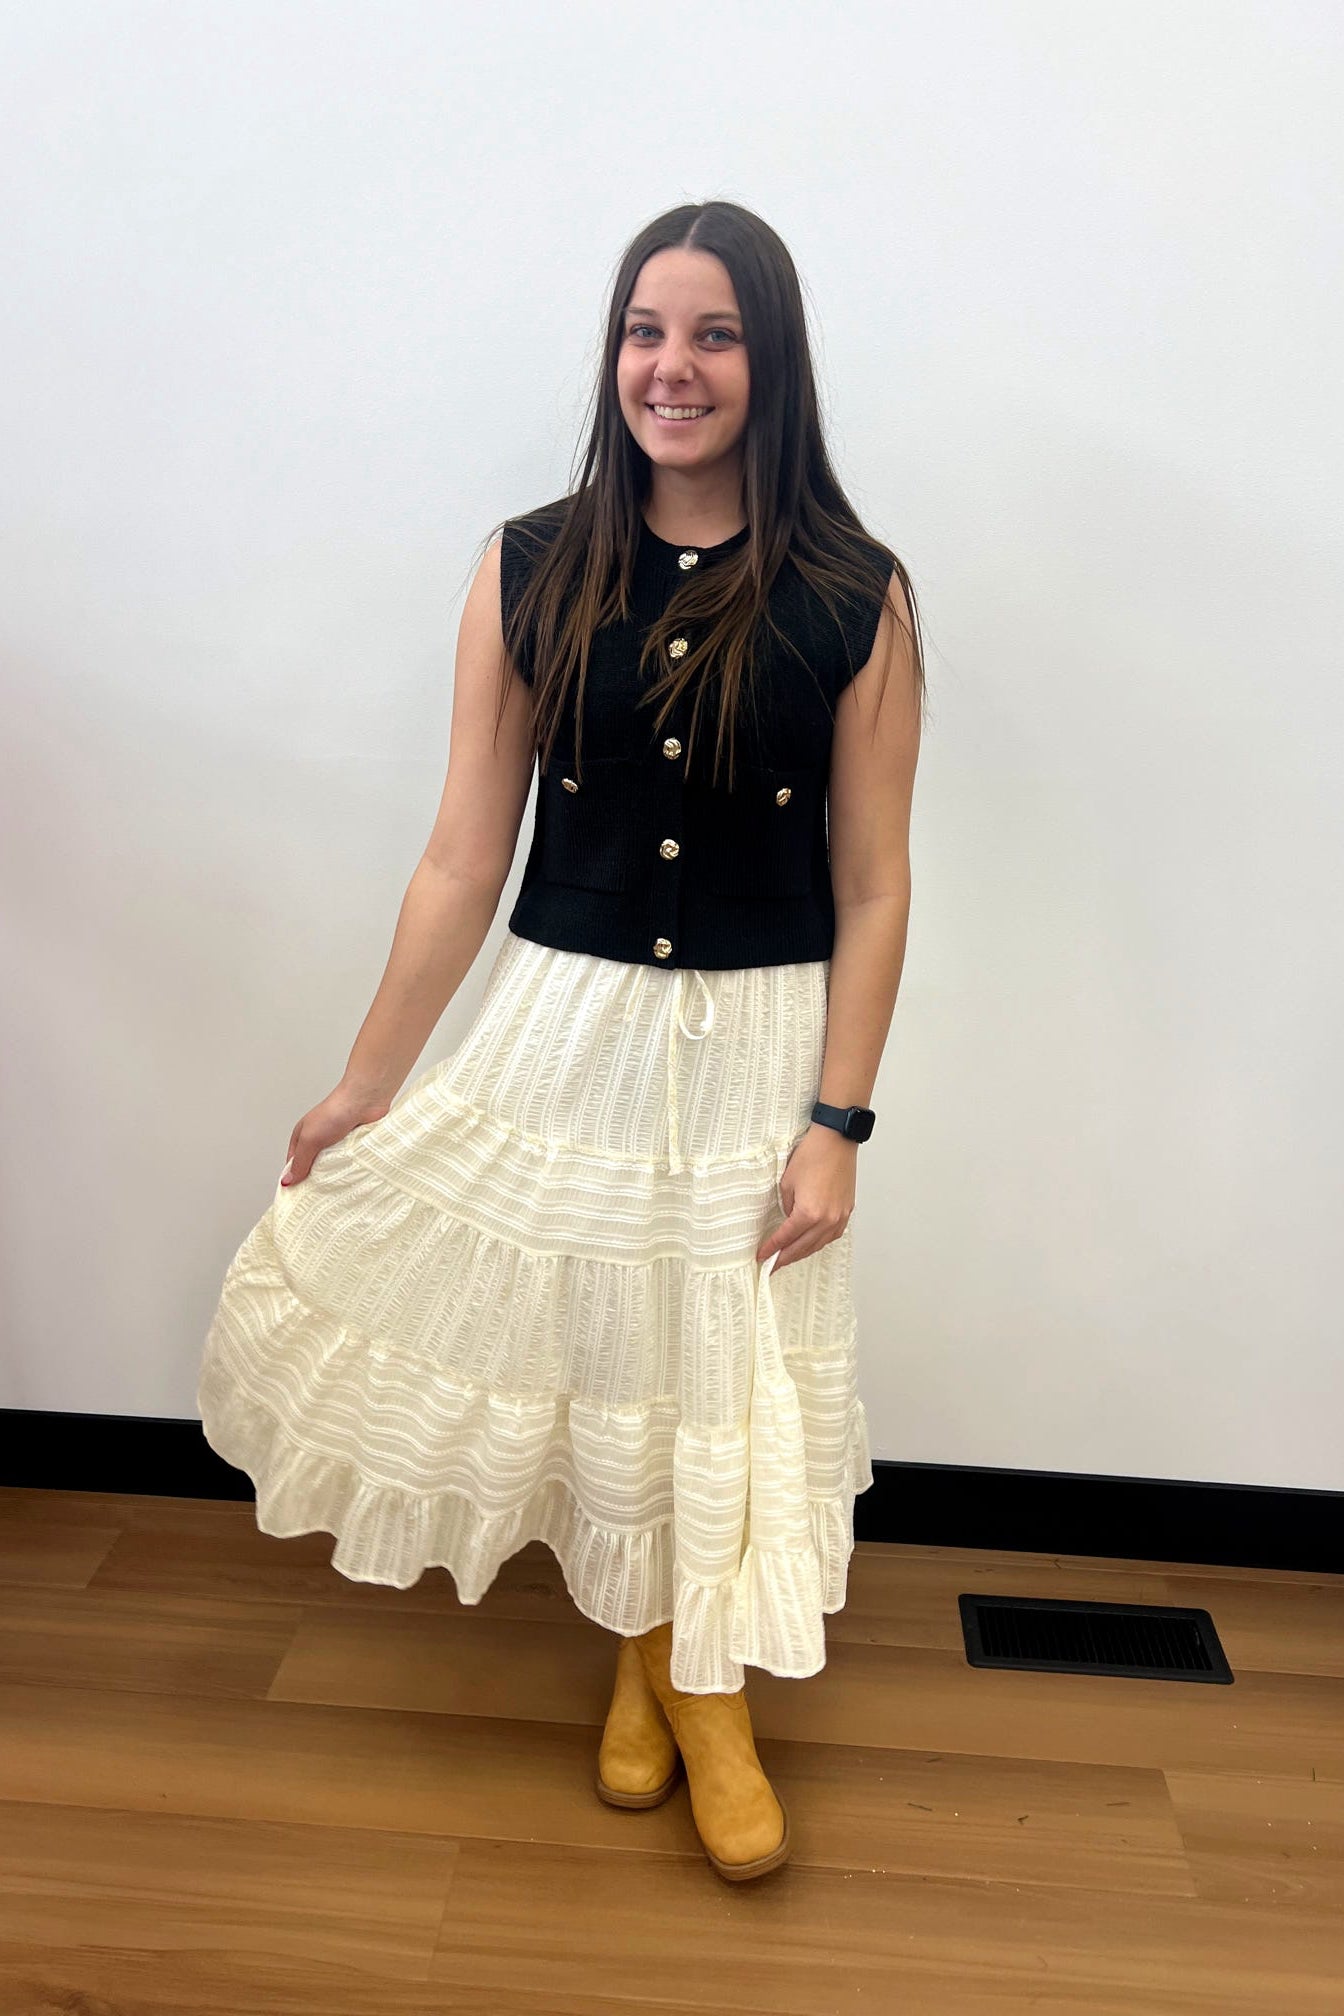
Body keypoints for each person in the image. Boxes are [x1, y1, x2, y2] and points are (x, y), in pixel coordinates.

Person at [197, 198, 925, 1884]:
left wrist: (839, 1123)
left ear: (771, 361)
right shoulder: (531, 565)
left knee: (719, 1360)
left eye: (716, 334)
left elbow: (876, 885)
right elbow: (465, 854)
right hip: (568, 1021)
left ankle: (698, 1689)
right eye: (646, 331)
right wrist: (368, 1081)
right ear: (615, 356)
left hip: (756, 1037)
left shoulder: (854, 594)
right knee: (614, 1353)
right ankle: (651, 1655)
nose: (674, 366)